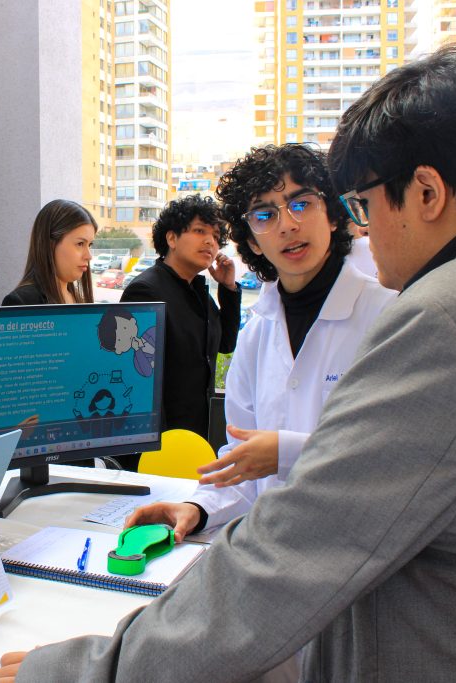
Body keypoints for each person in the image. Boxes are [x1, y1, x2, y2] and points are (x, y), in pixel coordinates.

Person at [0, 44, 456, 682]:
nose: (361, 226)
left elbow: (309, 539)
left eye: (360, 204)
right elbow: (250, 464)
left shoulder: (437, 314)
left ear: (428, 192)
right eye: (266, 214)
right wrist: (201, 508)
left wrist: (94, 671)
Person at [127, 143, 395, 541]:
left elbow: (396, 455)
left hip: (361, 552)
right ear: (252, 241)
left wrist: (285, 452)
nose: (287, 225)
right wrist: (197, 508)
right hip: (274, 550)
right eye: (265, 215)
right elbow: (240, 469)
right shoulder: (257, 335)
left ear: (335, 216)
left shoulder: (389, 315)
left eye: (301, 204)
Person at [120, 194, 240, 445]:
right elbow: (138, 380)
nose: (210, 241)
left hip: (197, 434)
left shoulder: (197, 292)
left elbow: (225, 345)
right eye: (199, 231)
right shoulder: (146, 291)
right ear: (172, 238)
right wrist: (159, 445)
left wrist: (228, 289)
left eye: (216, 237)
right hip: (164, 442)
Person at [2, 199, 98, 305]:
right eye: (80, 244)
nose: (89, 256)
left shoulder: (79, 300)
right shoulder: (22, 302)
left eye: (89, 245)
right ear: (50, 245)